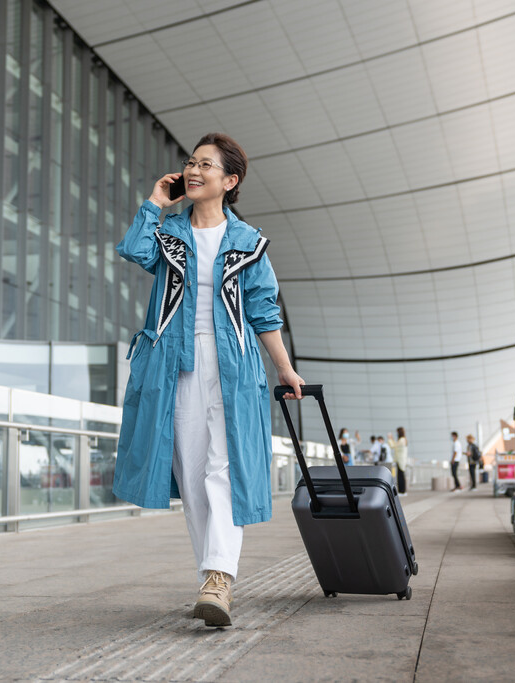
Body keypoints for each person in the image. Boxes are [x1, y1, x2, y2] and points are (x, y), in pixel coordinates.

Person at [112, 133, 304, 628]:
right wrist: (155, 201)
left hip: (233, 367)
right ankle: (211, 578)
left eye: (205, 165)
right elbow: (133, 251)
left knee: (224, 467)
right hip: (172, 364)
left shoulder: (247, 242)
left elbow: (263, 311)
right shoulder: (167, 231)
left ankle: (219, 576)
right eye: (189, 163)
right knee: (193, 471)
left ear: (230, 180)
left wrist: (283, 367)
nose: (193, 171)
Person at [388, 427, 408, 495]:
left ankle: (402, 491)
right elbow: (396, 445)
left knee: (400, 476)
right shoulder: (403, 439)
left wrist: (390, 439)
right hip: (400, 460)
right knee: (400, 475)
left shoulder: (402, 440)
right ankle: (402, 491)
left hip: (400, 460)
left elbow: (393, 446)